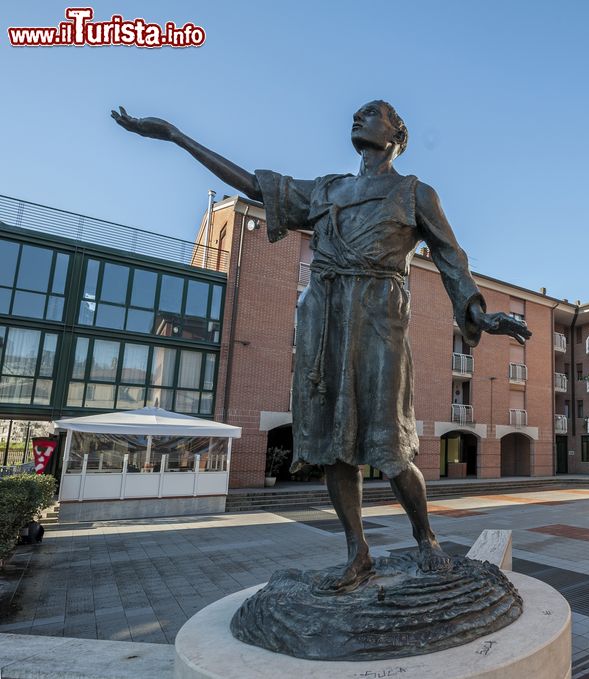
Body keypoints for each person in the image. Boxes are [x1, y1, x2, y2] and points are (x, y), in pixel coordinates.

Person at [111, 101, 531, 593]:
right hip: (325, 315)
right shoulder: (329, 189)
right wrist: (177, 136)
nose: (357, 118)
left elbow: (450, 257)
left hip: (379, 315)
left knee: (390, 445)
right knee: (335, 444)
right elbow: (253, 186)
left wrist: (478, 313)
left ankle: (425, 537)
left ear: (397, 134)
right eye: (355, 114)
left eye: (371, 113)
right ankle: (358, 553)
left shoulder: (414, 193)